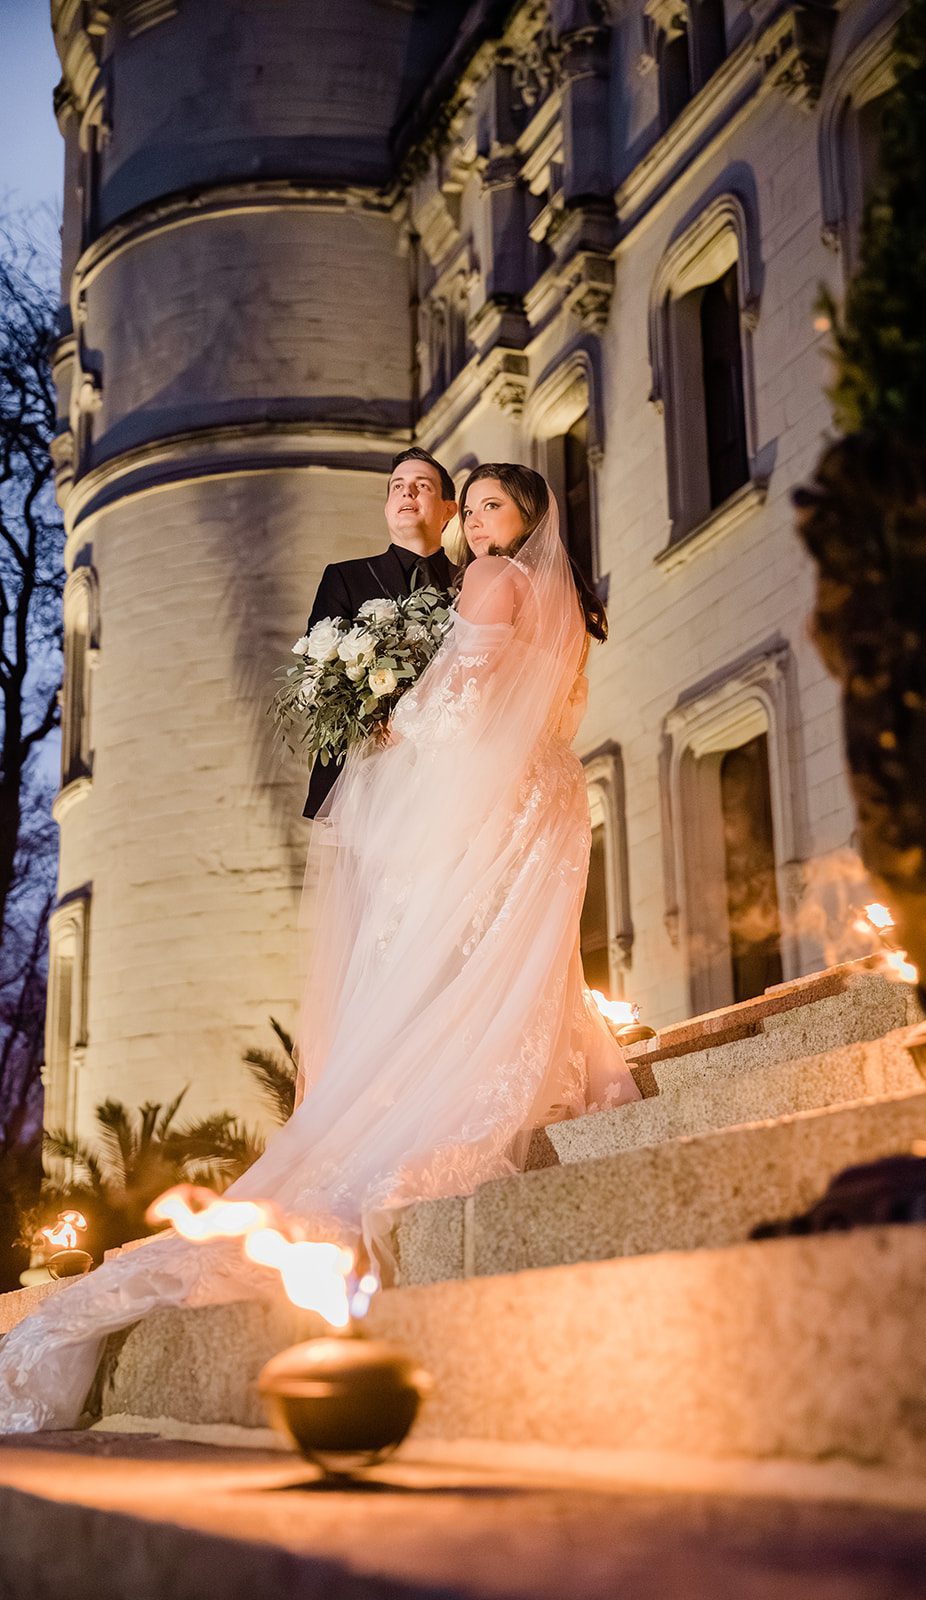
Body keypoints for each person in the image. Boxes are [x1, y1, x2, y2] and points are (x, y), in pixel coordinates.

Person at [0, 464, 639, 1433]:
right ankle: (551, 1074)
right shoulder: (569, 602)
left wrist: (389, 718)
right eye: (463, 507)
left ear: (528, 517)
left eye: (486, 507)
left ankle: (431, 1093)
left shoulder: (490, 580)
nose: (469, 521)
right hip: (549, 796)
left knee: (434, 953)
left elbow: (454, 702)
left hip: (482, 796)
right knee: (513, 950)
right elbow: (554, 710)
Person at [303, 447, 458, 818]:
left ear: (449, 510)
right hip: (366, 778)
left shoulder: (473, 584)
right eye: (397, 487)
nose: (408, 493)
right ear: (388, 505)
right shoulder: (345, 578)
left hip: (450, 771)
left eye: (423, 486)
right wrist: (377, 720)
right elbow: (319, 677)